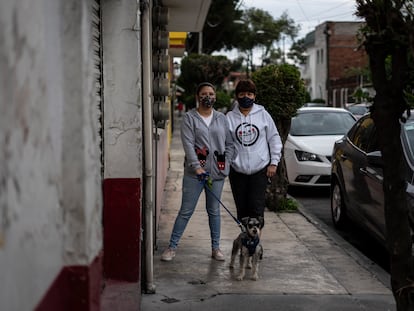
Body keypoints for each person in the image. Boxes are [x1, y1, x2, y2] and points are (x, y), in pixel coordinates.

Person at [161, 82, 234, 262]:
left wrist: (226, 165)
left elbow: (230, 144)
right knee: (186, 211)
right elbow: (188, 144)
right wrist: (197, 167)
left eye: (211, 93)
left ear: (215, 97)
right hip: (194, 175)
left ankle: (216, 248)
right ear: (197, 96)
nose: (207, 97)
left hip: (216, 175)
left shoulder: (222, 118)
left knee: (214, 211)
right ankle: (172, 247)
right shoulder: (189, 118)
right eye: (204, 93)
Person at [226, 79, 282, 224]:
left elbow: (274, 139)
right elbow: (225, 144)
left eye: (250, 94)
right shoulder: (229, 118)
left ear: (254, 96)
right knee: (242, 212)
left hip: (260, 170)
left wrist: (274, 163)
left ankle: (254, 245)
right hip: (237, 171)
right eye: (242, 94)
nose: (246, 97)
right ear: (237, 96)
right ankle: (245, 244)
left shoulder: (263, 115)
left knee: (257, 212)